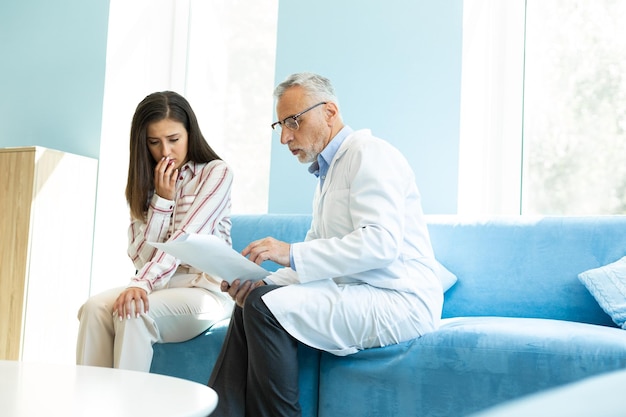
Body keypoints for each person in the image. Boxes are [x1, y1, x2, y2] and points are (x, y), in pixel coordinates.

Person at [207, 72, 444, 417]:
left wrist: (288, 253)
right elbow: (316, 258)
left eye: (293, 122)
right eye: (280, 126)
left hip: (400, 299)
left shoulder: (370, 154)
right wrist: (264, 282)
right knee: (253, 301)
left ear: (329, 112)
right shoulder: (328, 173)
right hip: (361, 291)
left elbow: (380, 244)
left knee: (263, 306)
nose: (285, 137)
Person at [76, 91, 235, 372]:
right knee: (93, 309)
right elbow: (141, 257)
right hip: (159, 286)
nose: (165, 152)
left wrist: (141, 284)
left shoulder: (216, 173)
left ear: (190, 134)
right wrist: (162, 200)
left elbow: (186, 239)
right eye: (154, 142)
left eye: (174, 140)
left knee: (133, 314)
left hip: (205, 289)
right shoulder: (146, 183)